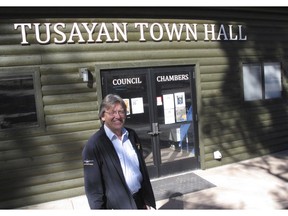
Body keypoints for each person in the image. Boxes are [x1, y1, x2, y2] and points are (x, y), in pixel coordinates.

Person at [82, 94, 156, 209]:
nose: (118, 116)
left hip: (140, 201)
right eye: (112, 112)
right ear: (102, 116)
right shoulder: (93, 145)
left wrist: (147, 199)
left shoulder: (132, 135)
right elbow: (93, 190)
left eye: (121, 111)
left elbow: (142, 170)